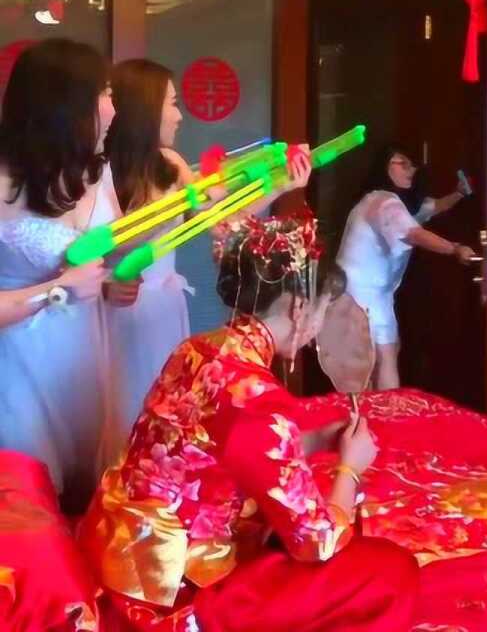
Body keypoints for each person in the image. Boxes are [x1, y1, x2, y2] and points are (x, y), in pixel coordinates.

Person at [79, 211, 418, 632]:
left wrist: (312, 442)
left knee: (273, 523)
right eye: (320, 311)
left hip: (120, 546)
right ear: (298, 307)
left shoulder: (196, 348)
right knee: (389, 570)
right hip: (173, 587)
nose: (316, 328)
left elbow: (221, 446)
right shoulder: (258, 398)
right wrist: (349, 469)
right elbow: (317, 542)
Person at [102, 58, 312, 461]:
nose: (179, 116)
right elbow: (111, 244)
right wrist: (184, 203)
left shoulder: (169, 163)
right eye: (171, 103)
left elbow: (221, 219)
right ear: (145, 109)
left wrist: (281, 185)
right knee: (121, 413)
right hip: (118, 305)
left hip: (161, 306)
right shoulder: (109, 168)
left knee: (154, 414)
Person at [0, 38, 117, 501]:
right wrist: (57, 290)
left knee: (86, 497)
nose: (113, 109)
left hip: (84, 355)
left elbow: (113, 250)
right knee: (29, 500)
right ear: (66, 104)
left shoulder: (96, 172)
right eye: (104, 94)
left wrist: (116, 280)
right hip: (18, 363)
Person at [337, 144, 475, 390]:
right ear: (385, 167)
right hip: (358, 296)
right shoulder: (382, 201)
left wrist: (459, 193)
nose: (411, 170)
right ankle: (380, 412)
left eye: (412, 165)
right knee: (378, 361)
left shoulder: (399, 204)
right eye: (403, 164)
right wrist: (455, 249)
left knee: (383, 356)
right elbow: (414, 234)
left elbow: (434, 207)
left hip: (371, 296)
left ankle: (378, 411)